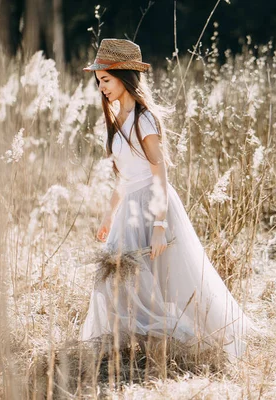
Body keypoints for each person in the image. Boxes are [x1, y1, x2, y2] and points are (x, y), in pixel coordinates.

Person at [79, 38, 253, 360]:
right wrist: (108, 215)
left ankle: (184, 342)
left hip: (151, 206)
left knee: (165, 282)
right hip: (129, 208)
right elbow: (125, 176)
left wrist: (160, 223)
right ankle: (130, 348)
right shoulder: (119, 118)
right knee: (115, 279)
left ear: (124, 76)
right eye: (99, 81)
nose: (101, 87)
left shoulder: (144, 119)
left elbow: (159, 171)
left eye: (105, 79)